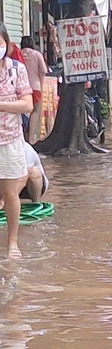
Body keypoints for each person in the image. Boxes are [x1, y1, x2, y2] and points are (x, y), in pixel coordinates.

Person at [0, 22, 34, 259]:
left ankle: (12, 242)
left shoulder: (16, 69)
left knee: (10, 193)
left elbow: (28, 105)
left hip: (9, 140)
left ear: (7, 44)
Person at [19, 36, 48, 143]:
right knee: (35, 111)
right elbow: (44, 70)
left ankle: (23, 137)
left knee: (21, 112)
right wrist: (41, 82)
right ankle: (32, 139)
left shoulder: (18, 54)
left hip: (21, 88)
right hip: (35, 87)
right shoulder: (37, 54)